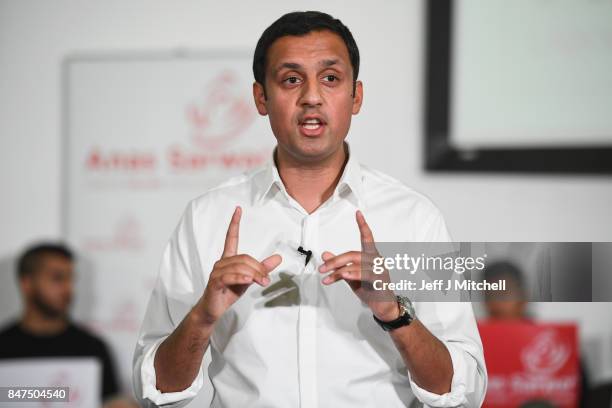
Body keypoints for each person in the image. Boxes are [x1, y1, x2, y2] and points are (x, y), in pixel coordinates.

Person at [133, 11, 487, 407]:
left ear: (356, 97)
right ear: (261, 98)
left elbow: (462, 392)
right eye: (291, 80)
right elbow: (154, 392)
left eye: (331, 78)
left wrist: (394, 313)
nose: (312, 97)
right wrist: (202, 316)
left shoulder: (414, 218)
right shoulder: (207, 217)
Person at [0, 242, 119, 402]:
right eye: (57, 278)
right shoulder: (4, 346)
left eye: (71, 279)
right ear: (26, 283)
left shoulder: (92, 348)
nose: (68, 289)